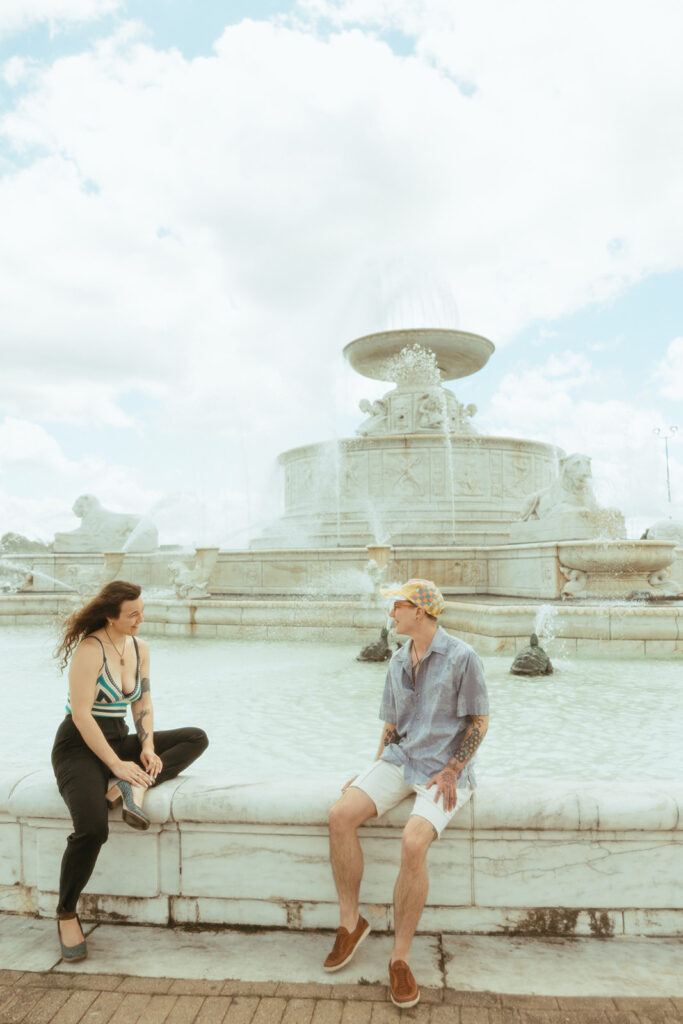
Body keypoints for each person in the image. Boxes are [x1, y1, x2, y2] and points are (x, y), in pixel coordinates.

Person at [325, 578, 489, 1009]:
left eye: (397, 606)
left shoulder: (463, 657)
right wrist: (371, 768)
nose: (391, 613)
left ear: (419, 611)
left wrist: (454, 770)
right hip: (401, 760)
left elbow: (479, 722)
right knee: (341, 815)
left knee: (413, 842)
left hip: (443, 770)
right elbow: (392, 727)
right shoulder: (398, 659)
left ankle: (399, 959)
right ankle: (351, 924)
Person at [51, 580, 208, 962]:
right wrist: (117, 763)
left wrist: (148, 746)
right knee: (92, 828)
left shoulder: (140, 648)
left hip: (120, 737)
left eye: (142, 610)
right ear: (111, 616)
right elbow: (84, 716)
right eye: (133, 614)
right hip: (79, 745)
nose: (141, 619)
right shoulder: (90, 650)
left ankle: (129, 785)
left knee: (195, 738)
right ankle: (66, 912)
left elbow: (142, 702)